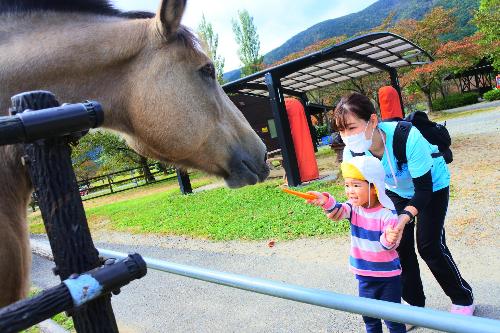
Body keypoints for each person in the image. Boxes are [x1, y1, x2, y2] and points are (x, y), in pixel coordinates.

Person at [327, 92, 474, 317]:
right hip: (395, 190)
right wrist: (339, 208)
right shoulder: (351, 152)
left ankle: (463, 298)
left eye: (352, 128)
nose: (347, 136)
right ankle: (414, 306)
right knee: (399, 244)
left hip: (432, 186)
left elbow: (423, 190)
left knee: (429, 246)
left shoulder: (408, 137)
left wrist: (404, 218)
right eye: (341, 130)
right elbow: (361, 190)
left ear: (373, 121)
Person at [306, 155, 406, 333]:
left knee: (394, 320)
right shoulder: (354, 208)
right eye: (347, 185)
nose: (350, 191)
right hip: (364, 275)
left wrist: (389, 238)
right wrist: (325, 201)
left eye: (356, 185)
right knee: (369, 318)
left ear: (374, 187)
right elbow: (339, 210)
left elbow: (387, 245)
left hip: (387, 276)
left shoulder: (387, 214)